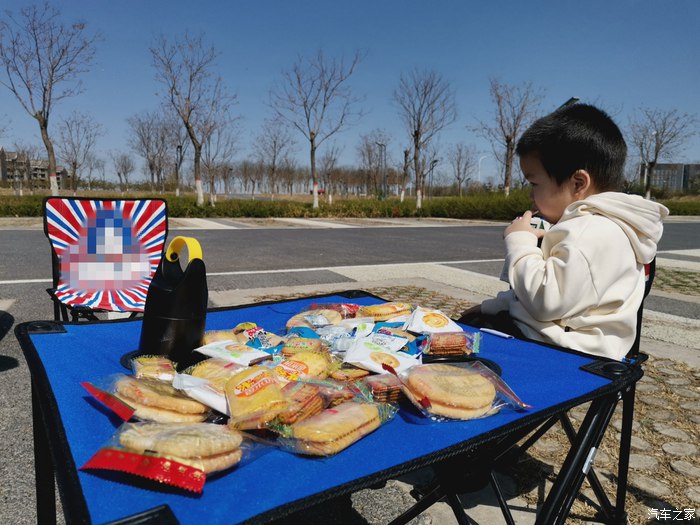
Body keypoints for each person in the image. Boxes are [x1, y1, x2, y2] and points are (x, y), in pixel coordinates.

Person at [458, 103, 668, 360]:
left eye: (534, 183)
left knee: (455, 349)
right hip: (550, 335)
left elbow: (546, 301)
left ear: (578, 183)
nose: (531, 195)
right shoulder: (588, 226)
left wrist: (520, 241)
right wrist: (491, 306)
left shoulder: (593, 231)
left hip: (566, 352)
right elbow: (535, 297)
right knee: (466, 327)